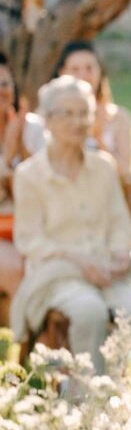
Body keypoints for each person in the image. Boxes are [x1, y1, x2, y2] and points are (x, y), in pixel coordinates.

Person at [11, 76, 131, 374]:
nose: (78, 122)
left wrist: (119, 256)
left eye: (84, 113)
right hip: (58, 273)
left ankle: (118, 385)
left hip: (108, 269)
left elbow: (120, 223)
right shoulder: (29, 175)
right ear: (47, 120)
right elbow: (30, 240)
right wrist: (79, 261)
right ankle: (85, 394)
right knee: (89, 312)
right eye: (68, 114)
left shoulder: (103, 166)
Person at [0, 53, 46, 305]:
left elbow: (48, 184)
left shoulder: (34, 128)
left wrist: (23, 150)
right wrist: (6, 160)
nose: (0, 91)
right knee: (17, 268)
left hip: (36, 227)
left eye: (4, 83)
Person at [53, 42, 131, 178]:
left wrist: (99, 139)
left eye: (89, 68)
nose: (83, 75)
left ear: (100, 71)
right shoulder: (49, 117)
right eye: (75, 69)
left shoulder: (119, 117)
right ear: (62, 73)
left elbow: (125, 173)